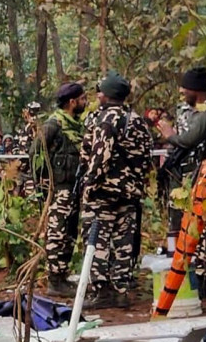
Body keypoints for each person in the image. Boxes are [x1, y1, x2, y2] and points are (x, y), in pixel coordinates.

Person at [79, 71, 154, 309]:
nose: (97, 95)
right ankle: (121, 290)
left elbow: (100, 159)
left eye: (100, 91)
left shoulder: (104, 120)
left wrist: (88, 187)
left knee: (97, 241)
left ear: (106, 94)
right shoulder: (137, 121)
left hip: (104, 194)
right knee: (124, 242)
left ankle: (102, 292)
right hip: (130, 193)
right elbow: (146, 158)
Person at [157, 67, 206, 264]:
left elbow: (188, 140)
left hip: (204, 176)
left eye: (186, 88)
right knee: (178, 223)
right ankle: (179, 263)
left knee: (201, 225)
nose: (181, 92)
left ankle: (200, 271)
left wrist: (170, 135)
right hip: (182, 177)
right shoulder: (184, 109)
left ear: (197, 90)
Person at [33, 83, 88, 297]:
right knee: (57, 233)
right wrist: (42, 184)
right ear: (72, 102)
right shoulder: (53, 125)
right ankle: (54, 279)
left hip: (73, 188)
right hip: (58, 190)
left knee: (70, 232)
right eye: (82, 99)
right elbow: (35, 154)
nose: (85, 103)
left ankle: (62, 275)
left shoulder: (76, 126)